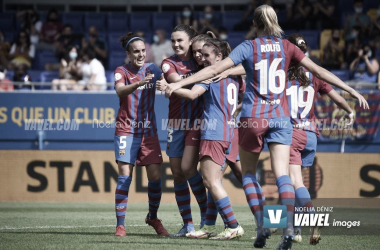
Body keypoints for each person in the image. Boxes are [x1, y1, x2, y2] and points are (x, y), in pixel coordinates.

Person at [160, 5, 368, 249]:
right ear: (275, 22)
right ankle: (289, 227)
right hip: (282, 119)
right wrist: (351, 89)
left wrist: (175, 86)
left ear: (255, 25)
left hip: (254, 118)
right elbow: (318, 70)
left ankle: (262, 225)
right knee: (284, 175)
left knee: (248, 174)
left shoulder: (249, 46)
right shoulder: (287, 47)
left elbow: (215, 68)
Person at [161, 38, 245, 240]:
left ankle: (233, 225)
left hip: (213, 131)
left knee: (211, 181)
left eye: (206, 55)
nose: (202, 59)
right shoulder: (234, 76)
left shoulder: (209, 75)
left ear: (219, 56)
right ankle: (208, 225)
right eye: (200, 54)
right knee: (236, 179)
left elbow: (191, 96)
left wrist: (170, 87)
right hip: (230, 131)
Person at [286, 33, 355, 245]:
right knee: (299, 185)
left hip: (291, 133)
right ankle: (295, 230)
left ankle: (309, 221)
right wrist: (349, 112)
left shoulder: (282, 74)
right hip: (311, 135)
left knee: (292, 182)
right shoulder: (315, 75)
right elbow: (337, 98)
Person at [113, 32, 169, 237]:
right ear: (128, 53)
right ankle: (120, 225)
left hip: (149, 132)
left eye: (143, 51)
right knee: (124, 178)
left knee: (155, 177)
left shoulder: (153, 69)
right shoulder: (121, 71)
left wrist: (166, 84)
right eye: (136, 51)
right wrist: (139, 83)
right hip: (126, 130)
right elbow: (120, 91)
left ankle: (152, 217)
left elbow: (168, 81)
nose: (140, 54)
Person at [160, 24, 207, 237]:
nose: (176, 44)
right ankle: (187, 223)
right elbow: (179, 83)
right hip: (176, 123)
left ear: (191, 41)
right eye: (173, 40)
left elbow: (181, 87)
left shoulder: (202, 60)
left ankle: (207, 216)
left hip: (199, 122)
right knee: (178, 174)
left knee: (190, 169)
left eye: (180, 40)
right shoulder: (168, 63)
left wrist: (172, 87)